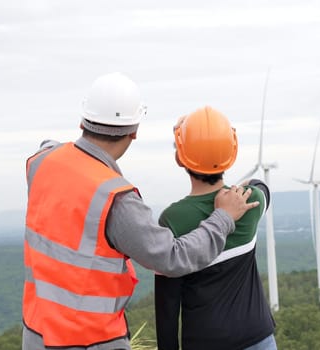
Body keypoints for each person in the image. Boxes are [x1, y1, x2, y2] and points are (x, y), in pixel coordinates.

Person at [22, 73, 259, 350]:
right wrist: (223, 218)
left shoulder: (41, 162)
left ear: (83, 121)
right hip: (90, 340)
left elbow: (50, 145)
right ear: (134, 132)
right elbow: (173, 258)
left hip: (36, 333)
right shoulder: (117, 200)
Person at [154, 106, 276, 350]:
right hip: (259, 339)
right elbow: (261, 185)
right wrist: (235, 192)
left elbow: (168, 307)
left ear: (180, 158)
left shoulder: (173, 220)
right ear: (232, 152)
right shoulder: (251, 201)